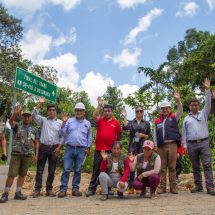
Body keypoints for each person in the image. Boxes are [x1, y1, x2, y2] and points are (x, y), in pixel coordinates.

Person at [182, 78, 215, 195]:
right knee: (195, 166)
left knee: (206, 165)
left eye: (196, 105)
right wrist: (185, 146)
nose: (194, 107)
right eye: (192, 105)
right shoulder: (186, 119)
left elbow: (208, 103)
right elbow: (184, 133)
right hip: (191, 144)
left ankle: (210, 187)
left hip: (204, 143)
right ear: (189, 106)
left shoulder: (204, 113)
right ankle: (199, 186)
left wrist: (207, 89)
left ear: (198, 105)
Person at [0, 106, 39, 203]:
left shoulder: (34, 130)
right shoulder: (17, 126)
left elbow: (36, 142)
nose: (26, 118)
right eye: (24, 116)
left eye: (28, 116)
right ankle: (5, 194)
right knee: (11, 175)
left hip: (28, 155)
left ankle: (18, 193)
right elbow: (10, 122)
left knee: (22, 175)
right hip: (16, 154)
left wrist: (36, 155)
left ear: (30, 118)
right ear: (22, 117)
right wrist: (14, 114)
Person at [86, 97, 122, 197]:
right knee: (96, 169)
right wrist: (99, 105)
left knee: (108, 169)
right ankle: (91, 189)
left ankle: (108, 189)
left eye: (108, 111)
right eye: (105, 111)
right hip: (99, 150)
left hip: (111, 151)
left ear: (112, 112)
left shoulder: (116, 122)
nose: (106, 112)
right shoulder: (100, 120)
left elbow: (118, 136)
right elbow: (94, 115)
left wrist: (115, 148)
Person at [58, 103, 92, 198]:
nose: (79, 112)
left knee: (78, 170)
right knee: (66, 168)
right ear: (74, 111)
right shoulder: (69, 121)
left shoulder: (87, 123)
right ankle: (63, 189)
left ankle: (75, 189)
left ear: (84, 112)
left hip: (81, 149)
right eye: (77, 110)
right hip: (69, 148)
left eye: (81, 110)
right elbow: (62, 133)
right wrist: (64, 123)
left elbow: (89, 137)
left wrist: (88, 148)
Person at [32, 97, 63, 198]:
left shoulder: (60, 122)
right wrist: (39, 104)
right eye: (50, 110)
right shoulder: (43, 120)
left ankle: (49, 190)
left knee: (52, 170)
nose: (51, 111)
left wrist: (59, 147)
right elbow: (34, 115)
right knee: (39, 170)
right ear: (47, 111)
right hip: (43, 147)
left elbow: (63, 135)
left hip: (54, 148)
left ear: (56, 112)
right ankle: (37, 190)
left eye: (53, 110)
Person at [154, 91, 183, 194]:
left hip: (172, 145)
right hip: (161, 146)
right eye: (163, 109)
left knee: (172, 166)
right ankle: (162, 187)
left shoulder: (174, 117)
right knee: (162, 167)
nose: (165, 110)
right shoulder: (157, 121)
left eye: (167, 108)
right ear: (161, 110)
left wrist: (178, 100)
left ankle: (173, 187)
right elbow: (155, 134)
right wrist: (155, 145)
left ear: (170, 109)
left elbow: (180, 110)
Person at [122, 105, 151, 194]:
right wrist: (125, 117)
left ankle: (141, 187)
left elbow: (149, 136)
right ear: (135, 112)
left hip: (142, 148)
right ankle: (131, 187)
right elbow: (125, 127)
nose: (139, 112)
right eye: (137, 111)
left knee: (141, 168)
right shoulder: (132, 122)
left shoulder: (146, 123)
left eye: (140, 111)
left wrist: (142, 135)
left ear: (143, 112)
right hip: (132, 147)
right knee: (131, 168)